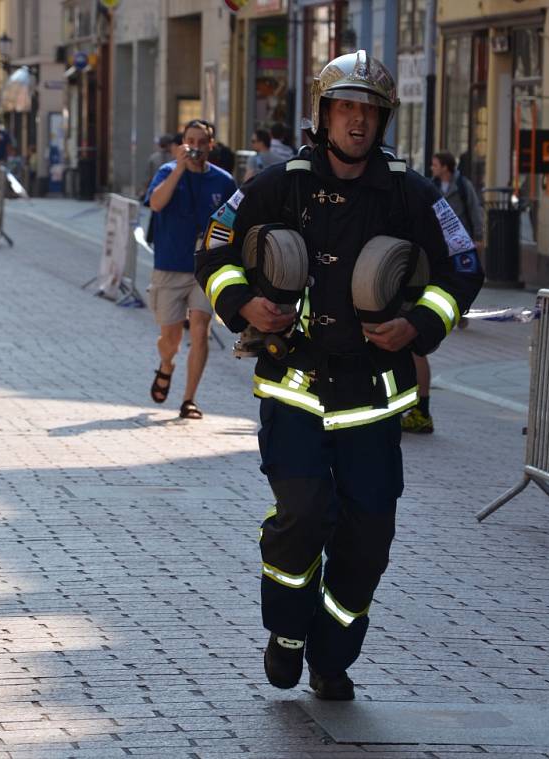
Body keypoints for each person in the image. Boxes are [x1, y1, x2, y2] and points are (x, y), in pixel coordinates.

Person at [195, 51, 483, 699]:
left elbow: (462, 267)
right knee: (301, 515)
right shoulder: (279, 183)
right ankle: (287, 634)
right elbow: (212, 247)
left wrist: (419, 327)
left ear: (382, 120)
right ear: (324, 114)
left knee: (368, 537)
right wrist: (244, 303)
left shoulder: (410, 194)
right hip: (293, 388)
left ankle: (332, 654)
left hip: (372, 402)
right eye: (346, 107)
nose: (357, 121)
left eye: (369, 110)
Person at [145, 119, 237, 420]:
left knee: (200, 330)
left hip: (205, 268)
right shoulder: (167, 172)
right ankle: (166, 365)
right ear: (181, 144)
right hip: (170, 266)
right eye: (190, 141)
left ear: (211, 145)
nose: (195, 147)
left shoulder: (223, 181)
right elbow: (156, 204)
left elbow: (236, 222)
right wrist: (180, 170)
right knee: (169, 339)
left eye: (201, 142)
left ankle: (189, 400)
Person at [401, 150, 484, 434]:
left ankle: (420, 410)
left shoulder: (456, 186)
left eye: (436, 163)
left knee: (415, 348)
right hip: (420, 274)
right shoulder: (430, 186)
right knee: (412, 349)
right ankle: (413, 408)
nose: (433, 167)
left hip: (433, 266)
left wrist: (476, 238)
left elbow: (472, 211)